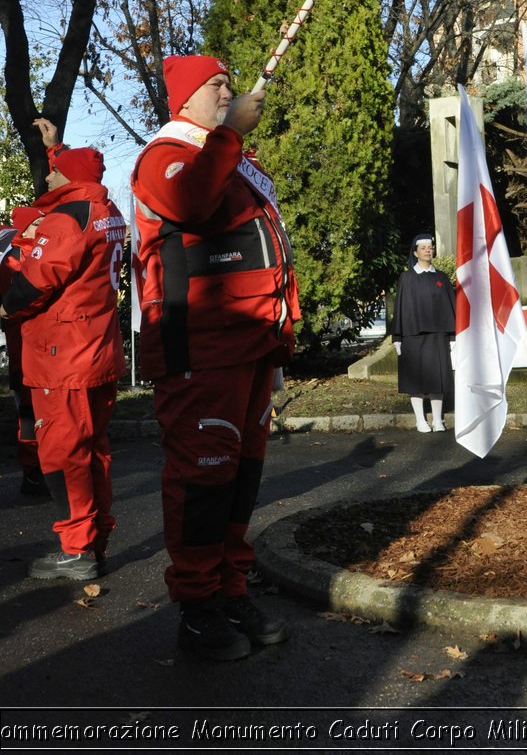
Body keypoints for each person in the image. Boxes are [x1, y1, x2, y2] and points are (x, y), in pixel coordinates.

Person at [131, 54, 300, 662]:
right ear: (185, 98)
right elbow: (193, 202)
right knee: (202, 477)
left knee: (240, 477)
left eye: (230, 82)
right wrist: (232, 135)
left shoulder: (230, 159)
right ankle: (196, 608)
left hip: (250, 344)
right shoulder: (164, 156)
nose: (228, 91)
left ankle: (229, 589)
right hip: (200, 346)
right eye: (216, 85)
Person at [0, 122, 126, 580]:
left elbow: (36, 279)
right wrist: (58, 147)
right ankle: (95, 539)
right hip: (97, 350)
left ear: (67, 179)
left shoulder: (65, 218)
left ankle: (76, 549)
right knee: (94, 450)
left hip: (61, 356)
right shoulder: (104, 208)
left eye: (53, 171)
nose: (46, 178)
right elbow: (76, 172)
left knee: (62, 453)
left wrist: (4, 307)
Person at [0, 205, 49, 497]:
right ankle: (32, 472)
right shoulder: (15, 258)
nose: (44, 225)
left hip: (39, 348)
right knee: (29, 413)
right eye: (38, 222)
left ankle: (41, 469)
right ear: (26, 228)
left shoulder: (32, 252)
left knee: (38, 413)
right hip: (25, 350)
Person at [392, 233, 456, 433]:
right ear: (415, 252)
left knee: (438, 380)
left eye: (430, 247)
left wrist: (453, 336)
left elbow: (451, 307)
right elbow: (400, 307)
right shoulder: (407, 278)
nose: (428, 250)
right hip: (412, 336)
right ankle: (420, 420)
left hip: (438, 336)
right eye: (423, 248)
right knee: (415, 381)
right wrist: (397, 337)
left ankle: (438, 420)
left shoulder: (442, 277)